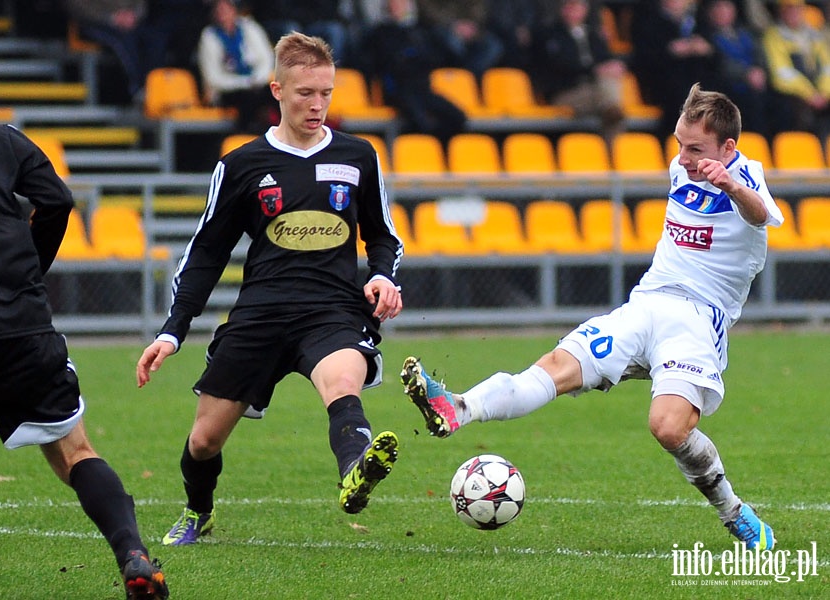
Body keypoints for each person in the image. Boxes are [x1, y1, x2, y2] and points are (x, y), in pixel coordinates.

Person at [401, 83, 780, 552]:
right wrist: (696, 163)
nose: (682, 157)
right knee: (554, 366)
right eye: (679, 144)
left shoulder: (746, 176)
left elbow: (761, 215)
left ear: (728, 149)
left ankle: (734, 512)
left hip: (698, 320)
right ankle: (458, 408)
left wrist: (733, 184)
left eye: (695, 149)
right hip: (646, 304)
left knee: (668, 428)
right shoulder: (682, 168)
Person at [136, 31, 404, 545]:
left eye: (326, 92)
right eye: (306, 93)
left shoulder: (357, 156)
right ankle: (198, 513)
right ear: (276, 90)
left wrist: (381, 276)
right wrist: (173, 331)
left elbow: (384, 236)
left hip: (332, 310)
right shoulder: (240, 165)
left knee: (343, 383)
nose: (318, 104)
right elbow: (206, 253)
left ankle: (355, 469)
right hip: (260, 313)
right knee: (205, 439)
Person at [0, 37, 168, 599]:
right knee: (75, 451)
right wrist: (29, 270)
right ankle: (133, 553)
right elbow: (56, 200)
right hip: (18, 326)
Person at [364, 0, 467, 143]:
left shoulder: (420, 31)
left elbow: (438, 57)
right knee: (422, 123)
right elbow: (382, 62)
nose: (399, 7)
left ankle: (441, 149)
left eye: (402, 3)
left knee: (457, 117)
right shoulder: (381, 33)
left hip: (423, 89)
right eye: (395, 4)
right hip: (398, 91)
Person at [532, 0, 626, 139]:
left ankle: (612, 152)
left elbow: (605, 58)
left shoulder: (592, 35)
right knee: (612, 108)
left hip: (594, 91)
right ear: (562, 8)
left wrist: (615, 65)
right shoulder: (550, 34)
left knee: (610, 102)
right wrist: (594, 70)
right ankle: (612, 146)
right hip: (566, 91)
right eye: (570, 6)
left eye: (577, 6)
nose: (573, 10)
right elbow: (560, 65)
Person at [631, 0, 716, 138]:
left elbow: (714, 54)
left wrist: (705, 49)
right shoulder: (647, 19)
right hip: (660, 81)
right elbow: (643, 57)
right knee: (682, 96)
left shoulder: (698, 19)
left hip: (696, 77)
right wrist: (670, 51)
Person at [197, 0, 277, 133]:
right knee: (248, 99)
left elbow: (267, 59)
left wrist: (257, 79)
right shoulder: (209, 36)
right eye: (219, 10)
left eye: (227, 9)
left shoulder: (250, 28)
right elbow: (213, 78)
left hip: (255, 85)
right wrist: (245, 83)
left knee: (274, 94)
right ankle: (246, 135)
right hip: (226, 90)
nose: (223, 13)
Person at [702, 0, 771, 138]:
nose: (723, 11)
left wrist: (760, 71)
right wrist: (746, 74)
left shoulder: (746, 33)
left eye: (726, 6)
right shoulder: (707, 37)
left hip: (756, 83)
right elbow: (719, 63)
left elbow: (759, 55)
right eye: (718, 7)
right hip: (730, 86)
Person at [762, 0, 830, 137]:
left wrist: (824, 92)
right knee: (792, 109)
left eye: (797, 8)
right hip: (793, 96)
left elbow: (827, 67)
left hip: (820, 94)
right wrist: (810, 94)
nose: (794, 13)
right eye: (789, 9)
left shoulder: (815, 36)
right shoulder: (774, 36)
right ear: (782, 11)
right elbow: (782, 74)